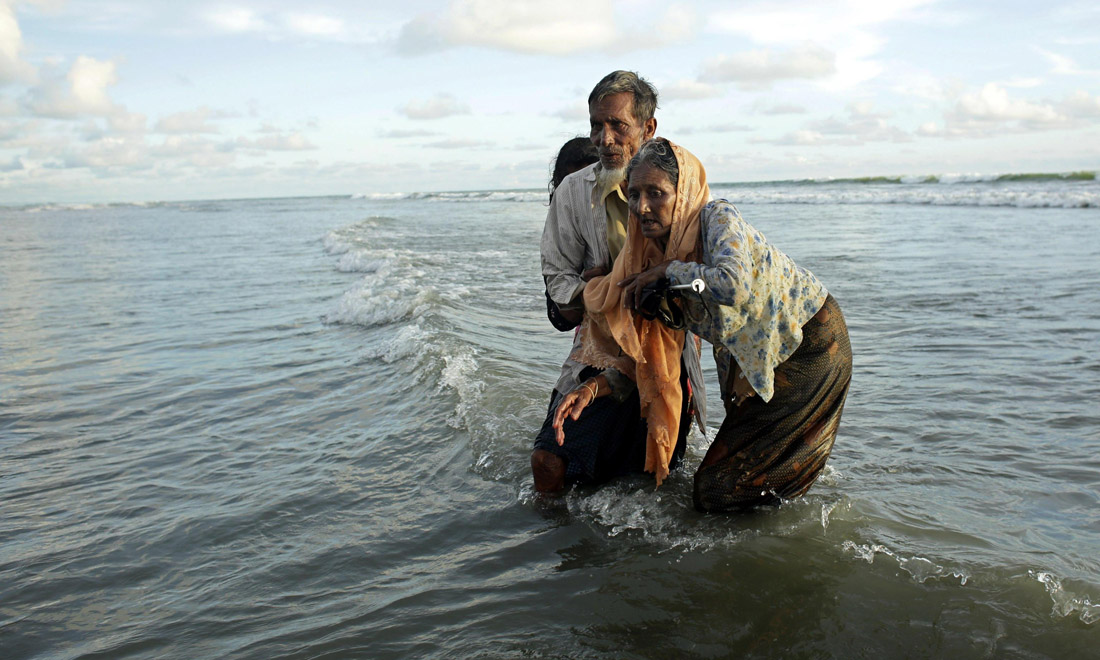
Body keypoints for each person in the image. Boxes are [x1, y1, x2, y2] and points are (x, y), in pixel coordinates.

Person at [581, 138, 853, 509]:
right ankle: (778, 537)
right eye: (634, 194)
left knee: (720, 487)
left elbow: (733, 285)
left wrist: (670, 272)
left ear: (684, 191)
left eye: (656, 193)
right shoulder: (646, 252)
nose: (642, 207)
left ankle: (776, 544)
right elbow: (649, 339)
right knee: (738, 480)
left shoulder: (716, 218)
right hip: (755, 358)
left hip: (808, 343)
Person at [532, 72, 707, 493]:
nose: (604, 138)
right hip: (599, 345)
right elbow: (557, 277)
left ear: (648, 129)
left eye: (617, 126)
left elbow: (699, 280)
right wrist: (599, 291)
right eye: (596, 125)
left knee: (650, 478)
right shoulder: (573, 194)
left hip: (667, 349)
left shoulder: (682, 189)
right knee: (549, 462)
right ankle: (557, 549)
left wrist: (624, 284)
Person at [545, 137, 598, 332]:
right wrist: (581, 287)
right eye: (571, 185)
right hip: (593, 338)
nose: (580, 193)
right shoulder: (560, 233)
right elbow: (559, 320)